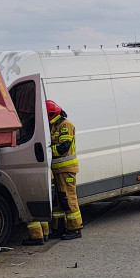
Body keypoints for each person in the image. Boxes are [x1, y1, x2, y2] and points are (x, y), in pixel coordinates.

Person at [47, 100, 82, 240]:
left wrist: (47, 151)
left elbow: (63, 148)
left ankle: (75, 228)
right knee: (58, 201)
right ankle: (58, 228)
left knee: (68, 199)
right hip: (57, 170)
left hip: (66, 169)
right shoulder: (54, 126)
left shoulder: (66, 125)